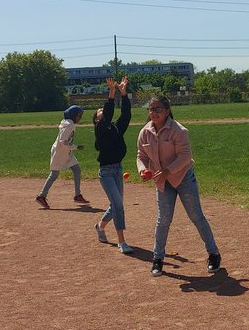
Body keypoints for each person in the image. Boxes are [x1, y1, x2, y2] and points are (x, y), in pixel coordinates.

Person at [136, 94, 220, 277]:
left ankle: (213, 254)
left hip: (183, 178)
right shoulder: (145, 132)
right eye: (151, 109)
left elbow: (185, 156)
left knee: (196, 216)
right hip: (162, 182)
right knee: (163, 220)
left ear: (167, 111)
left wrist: (167, 170)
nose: (154, 113)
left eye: (158, 109)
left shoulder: (178, 130)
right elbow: (140, 156)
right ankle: (157, 259)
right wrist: (142, 170)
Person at [92, 76, 134, 254]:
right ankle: (122, 242)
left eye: (103, 109)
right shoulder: (100, 129)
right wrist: (111, 94)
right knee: (118, 205)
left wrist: (123, 95)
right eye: (99, 111)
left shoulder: (116, 128)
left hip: (118, 169)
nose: (103, 111)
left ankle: (100, 226)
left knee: (115, 205)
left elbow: (126, 115)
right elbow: (108, 114)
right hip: (106, 172)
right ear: (97, 121)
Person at [36, 105, 89, 208]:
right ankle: (41, 196)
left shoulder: (70, 123)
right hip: (59, 152)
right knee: (54, 174)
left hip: (66, 152)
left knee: (76, 169)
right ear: (73, 115)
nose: (80, 118)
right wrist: (76, 147)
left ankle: (78, 195)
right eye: (79, 115)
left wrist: (72, 148)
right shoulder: (68, 125)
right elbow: (62, 142)